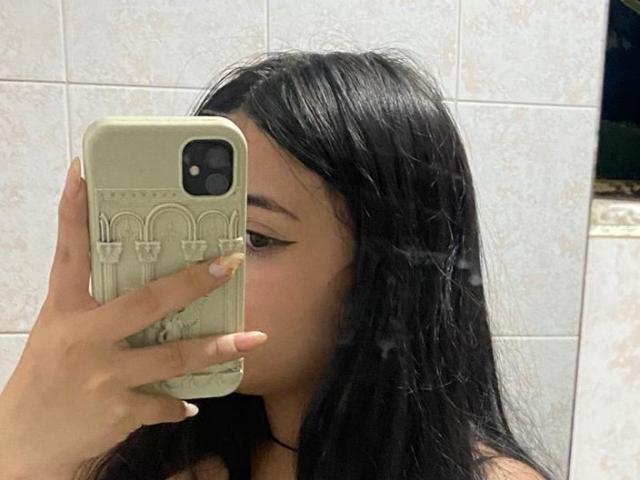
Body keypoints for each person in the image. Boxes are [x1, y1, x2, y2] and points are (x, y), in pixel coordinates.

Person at [0, 50, 557, 480]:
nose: (193, 275)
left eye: (252, 236)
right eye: (206, 232)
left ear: (387, 274)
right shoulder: (137, 460)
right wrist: (21, 444)